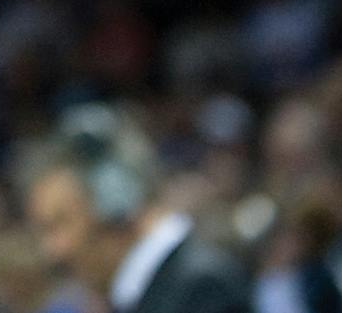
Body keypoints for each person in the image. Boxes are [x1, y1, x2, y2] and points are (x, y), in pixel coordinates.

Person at [24, 104, 253, 313]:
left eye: (59, 224)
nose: (53, 251)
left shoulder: (201, 289)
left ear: (115, 203)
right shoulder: (145, 295)